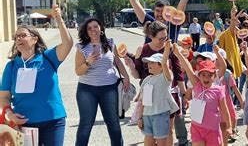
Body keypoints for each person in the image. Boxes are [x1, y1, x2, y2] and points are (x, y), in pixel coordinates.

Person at [0, 5, 73, 146]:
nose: (18, 39)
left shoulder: (48, 57)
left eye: (23, 35)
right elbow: (4, 97)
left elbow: (68, 44)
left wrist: (59, 19)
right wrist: (9, 114)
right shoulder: (11, 66)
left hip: (54, 120)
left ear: (34, 39)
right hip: (25, 123)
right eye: (16, 37)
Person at [124, 21, 186, 146]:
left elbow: (178, 72)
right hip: (149, 96)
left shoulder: (170, 48)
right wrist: (131, 66)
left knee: (169, 130)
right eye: (160, 38)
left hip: (168, 92)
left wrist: (184, 94)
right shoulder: (143, 49)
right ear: (151, 37)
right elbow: (138, 75)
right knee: (150, 134)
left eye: (165, 37)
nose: (164, 41)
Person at [74, 18, 131, 146]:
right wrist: (89, 62)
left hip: (109, 88)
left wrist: (126, 76)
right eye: (89, 28)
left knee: (113, 123)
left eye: (96, 26)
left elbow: (117, 62)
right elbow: (78, 71)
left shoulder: (110, 44)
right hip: (87, 89)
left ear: (101, 28)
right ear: (86, 32)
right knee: (86, 123)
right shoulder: (82, 48)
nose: (93, 30)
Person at [173, 44, 232, 146]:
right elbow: (187, 68)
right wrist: (178, 54)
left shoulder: (218, 90)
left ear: (214, 76)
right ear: (198, 75)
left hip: (212, 129)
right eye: (203, 75)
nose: (206, 78)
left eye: (210, 75)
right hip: (197, 128)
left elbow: (224, 109)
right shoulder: (196, 85)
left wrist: (229, 126)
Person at [137, 43, 179, 146]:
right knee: (148, 142)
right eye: (148, 62)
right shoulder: (146, 80)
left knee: (161, 143)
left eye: (152, 62)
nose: (149, 65)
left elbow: (165, 64)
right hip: (147, 115)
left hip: (160, 114)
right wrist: (139, 117)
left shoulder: (165, 78)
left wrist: (167, 50)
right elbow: (142, 100)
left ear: (160, 65)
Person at [124, 0, 191, 43]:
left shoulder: (174, 23)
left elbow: (182, 4)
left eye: (163, 11)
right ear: (154, 11)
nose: (160, 14)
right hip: (150, 58)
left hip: (169, 58)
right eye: (157, 11)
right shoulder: (150, 22)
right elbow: (135, 3)